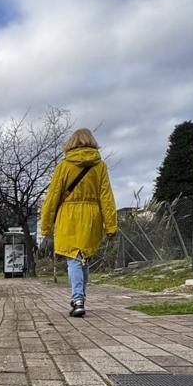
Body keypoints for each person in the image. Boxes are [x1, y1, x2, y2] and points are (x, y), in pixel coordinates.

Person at [39, 128, 117, 317]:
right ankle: (81, 297)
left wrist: (46, 225)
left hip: (69, 215)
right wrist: (111, 224)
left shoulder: (64, 166)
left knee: (74, 258)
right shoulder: (100, 166)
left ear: (71, 143)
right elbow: (106, 196)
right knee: (84, 259)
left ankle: (77, 299)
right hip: (92, 216)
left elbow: (52, 197)